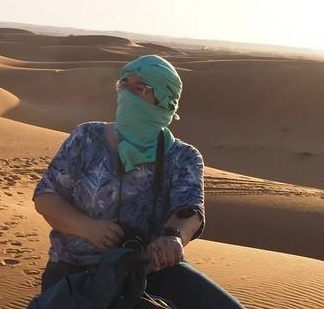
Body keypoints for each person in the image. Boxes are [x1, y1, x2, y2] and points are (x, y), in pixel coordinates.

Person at [32, 55, 244, 309]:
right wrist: (88, 228)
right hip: (76, 271)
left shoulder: (182, 156)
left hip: (149, 271)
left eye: (139, 89)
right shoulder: (86, 137)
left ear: (165, 100)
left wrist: (173, 237)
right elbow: (46, 197)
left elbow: (189, 210)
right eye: (123, 85)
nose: (127, 95)